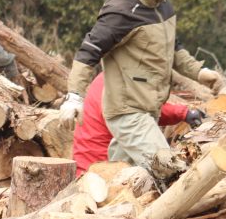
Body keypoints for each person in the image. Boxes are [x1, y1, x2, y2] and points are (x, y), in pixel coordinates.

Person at [60, 0, 224, 179]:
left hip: (149, 110)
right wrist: (74, 96)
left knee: (119, 180)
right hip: (128, 113)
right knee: (171, 171)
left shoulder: (162, 6)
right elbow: (89, 51)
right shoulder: (122, 10)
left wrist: (199, 72)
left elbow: (174, 48)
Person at [72, 72, 206, 174]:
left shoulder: (110, 78)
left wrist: (183, 113)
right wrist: (183, 113)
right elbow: (138, 110)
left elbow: (143, 107)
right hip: (101, 172)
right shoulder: (114, 85)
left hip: (91, 167)